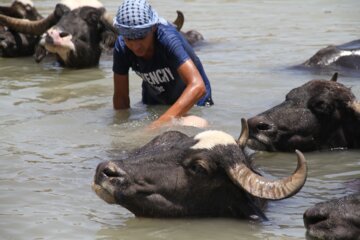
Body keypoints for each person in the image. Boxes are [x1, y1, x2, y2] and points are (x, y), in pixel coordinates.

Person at [112, 0, 213, 128]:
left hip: (192, 103)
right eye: (129, 39)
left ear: (153, 28)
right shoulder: (122, 47)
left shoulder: (167, 39)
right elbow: (121, 98)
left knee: (198, 124)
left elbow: (198, 87)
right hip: (154, 101)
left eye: (141, 37)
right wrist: (121, 131)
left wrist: (156, 126)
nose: (136, 46)